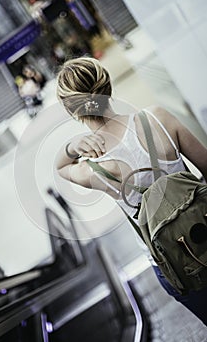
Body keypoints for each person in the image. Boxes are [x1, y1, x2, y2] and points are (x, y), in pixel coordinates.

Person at [55, 57, 207, 326]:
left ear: (71, 110)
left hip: (171, 264)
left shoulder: (93, 168)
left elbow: (60, 167)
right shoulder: (158, 118)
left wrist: (73, 146)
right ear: (106, 85)